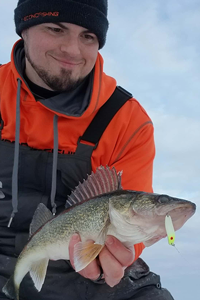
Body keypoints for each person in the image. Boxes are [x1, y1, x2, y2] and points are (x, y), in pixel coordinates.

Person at [0, 0, 174, 299]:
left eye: (88, 37)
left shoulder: (127, 120)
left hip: (85, 265)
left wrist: (125, 250)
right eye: (56, 29)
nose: (72, 50)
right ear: (24, 30)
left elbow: (130, 216)